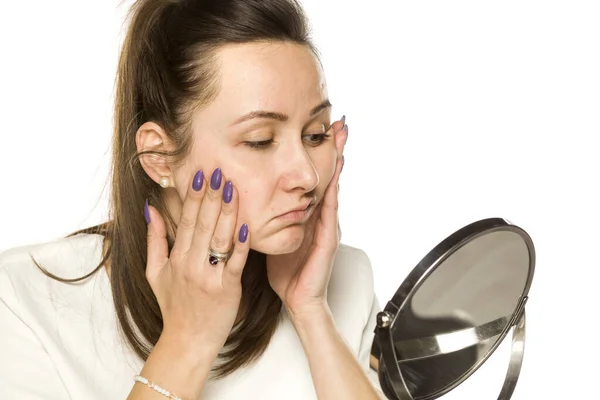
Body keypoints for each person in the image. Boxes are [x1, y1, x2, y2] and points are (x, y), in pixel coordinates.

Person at [0, 0, 384, 399]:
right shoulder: (24, 300)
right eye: (260, 140)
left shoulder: (344, 282)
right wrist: (188, 340)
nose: (307, 175)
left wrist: (311, 313)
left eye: (317, 134)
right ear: (159, 156)